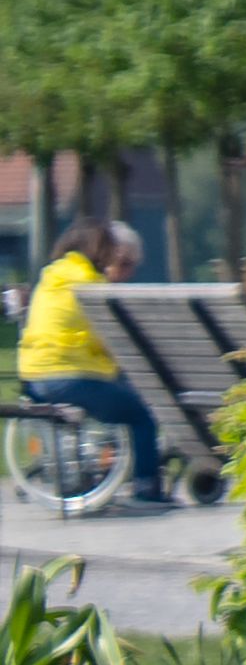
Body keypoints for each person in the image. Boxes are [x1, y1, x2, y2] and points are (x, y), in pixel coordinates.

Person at [20, 215, 165, 513]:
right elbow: (108, 339)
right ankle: (146, 488)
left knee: (120, 397)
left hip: (34, 375)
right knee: (141, 414)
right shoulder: (90, 284)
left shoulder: (54, 275)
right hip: (68, 377)